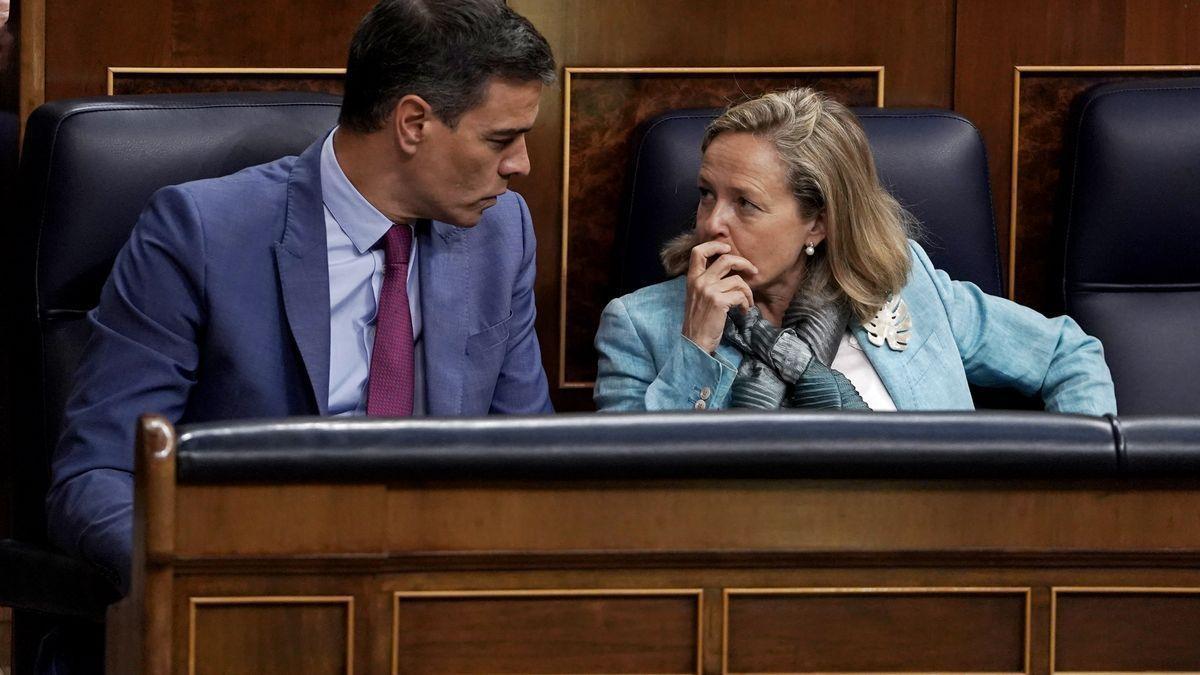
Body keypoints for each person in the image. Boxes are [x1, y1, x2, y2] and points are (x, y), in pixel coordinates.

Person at [47, 0, 556, 595]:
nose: (521, 165)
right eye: (502, 139)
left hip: (434, 597)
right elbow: (99, 475)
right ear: (413, 123)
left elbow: (527, 461)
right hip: (250, 591)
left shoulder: (502, 232)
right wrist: (218, 583)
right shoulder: (201, 234)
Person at [594, 87, 1116, 414]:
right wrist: (696, 350)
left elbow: (1068, 356)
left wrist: (1070, 507)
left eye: (745, 204)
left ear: (818, 222)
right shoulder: (639, 327)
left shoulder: (909, 285)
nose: (712, 223)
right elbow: (631, 498)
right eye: (706, 194)